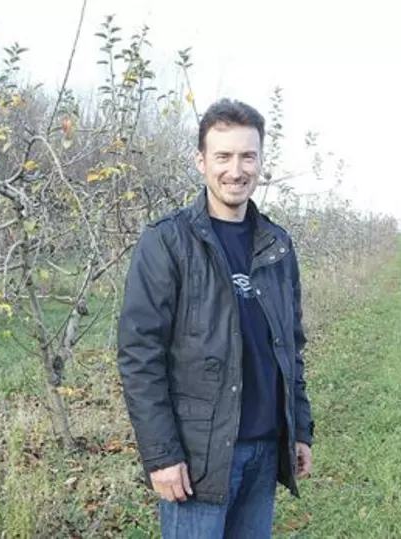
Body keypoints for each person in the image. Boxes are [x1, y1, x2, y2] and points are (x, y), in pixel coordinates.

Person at [116, 98, 314, 538]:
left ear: (260, 161)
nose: (236, 169)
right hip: (199, 458)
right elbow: (139, 356)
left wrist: (299, 428)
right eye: (223, 156)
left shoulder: (276, 245)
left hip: (264, 451)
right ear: (201, 160)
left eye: (248, 155)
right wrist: (162, 455)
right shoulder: (167, 243)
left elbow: (290, 347)